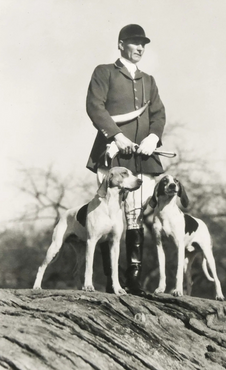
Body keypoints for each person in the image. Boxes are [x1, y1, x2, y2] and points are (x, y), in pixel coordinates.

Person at [86, 24, 166, 295]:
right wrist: (116, 136)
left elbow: (158, 115)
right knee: (106, 216)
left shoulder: (149, 81)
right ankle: (111, 281)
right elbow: (95, 106)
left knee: (134, 216)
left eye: (143, 43)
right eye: (134, 42)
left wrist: (153, 138)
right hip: (112, 154)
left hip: (144, 158)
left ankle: (132, 281)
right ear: (121, 44)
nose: (140, 48)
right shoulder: (104, 72)